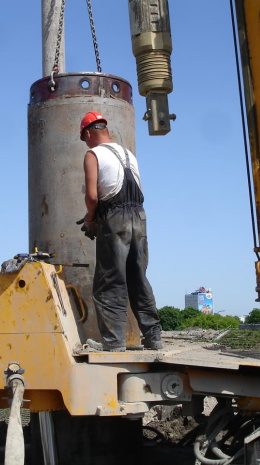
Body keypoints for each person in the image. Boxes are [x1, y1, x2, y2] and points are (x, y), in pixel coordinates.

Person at [77, 110, 163, 352]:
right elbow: (140, 190)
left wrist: (91, 218)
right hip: (139, 216)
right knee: (138, 277)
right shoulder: (129, 155)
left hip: (114, 218)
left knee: (109, 280)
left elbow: (92, 196)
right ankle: (153, 337)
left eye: (84, 138)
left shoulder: (92, 154)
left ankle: (114, 342)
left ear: (87, 134)